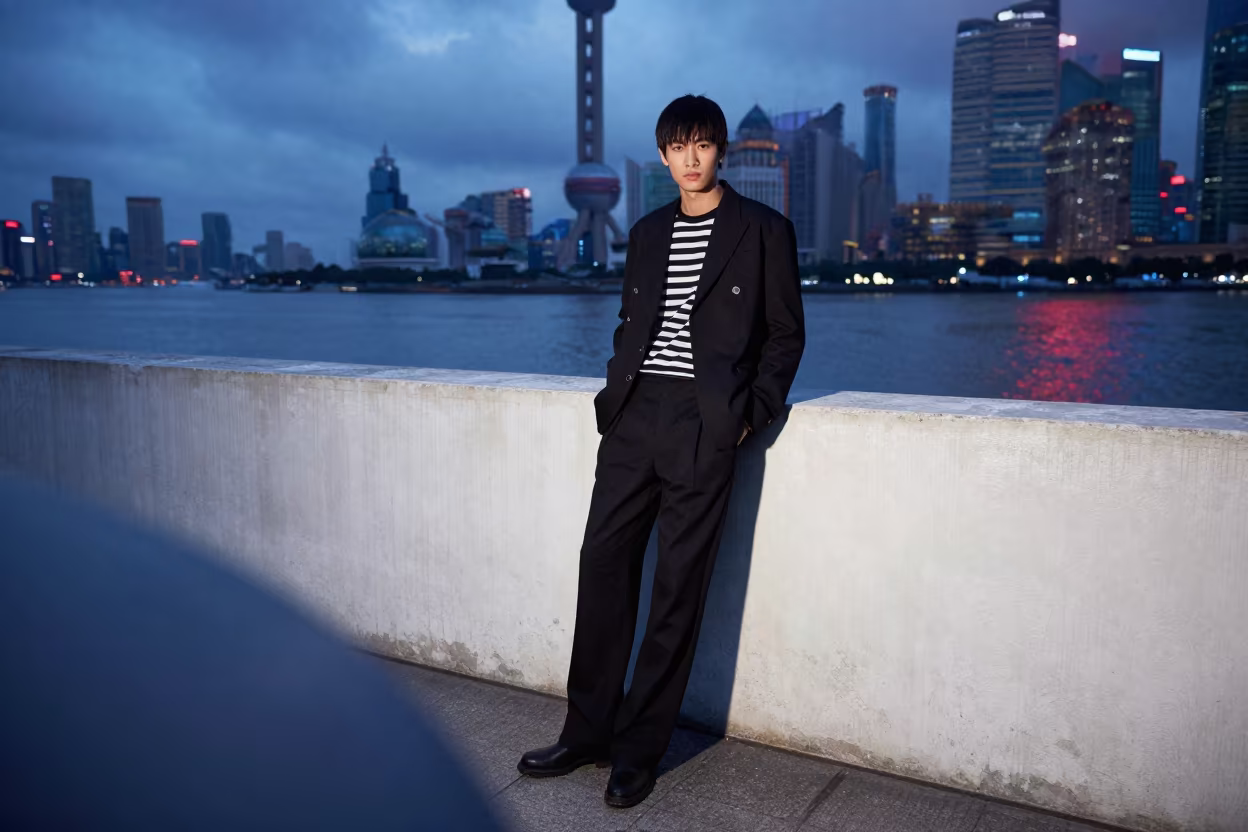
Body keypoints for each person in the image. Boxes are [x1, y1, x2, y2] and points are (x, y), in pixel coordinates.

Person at [517, 94, 805, 809]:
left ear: (720, 150)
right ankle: (586, 731)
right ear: (663, 154)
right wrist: (617, 395)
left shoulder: (763, 230)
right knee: (602, 566)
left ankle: (638, 751)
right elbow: (631, 322)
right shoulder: (646, 232)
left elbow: (785, 335)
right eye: (678, 147)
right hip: (635, 416)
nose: (690, 159)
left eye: (702, 145)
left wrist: (748, 418)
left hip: (706, 423)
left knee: (677, 589)